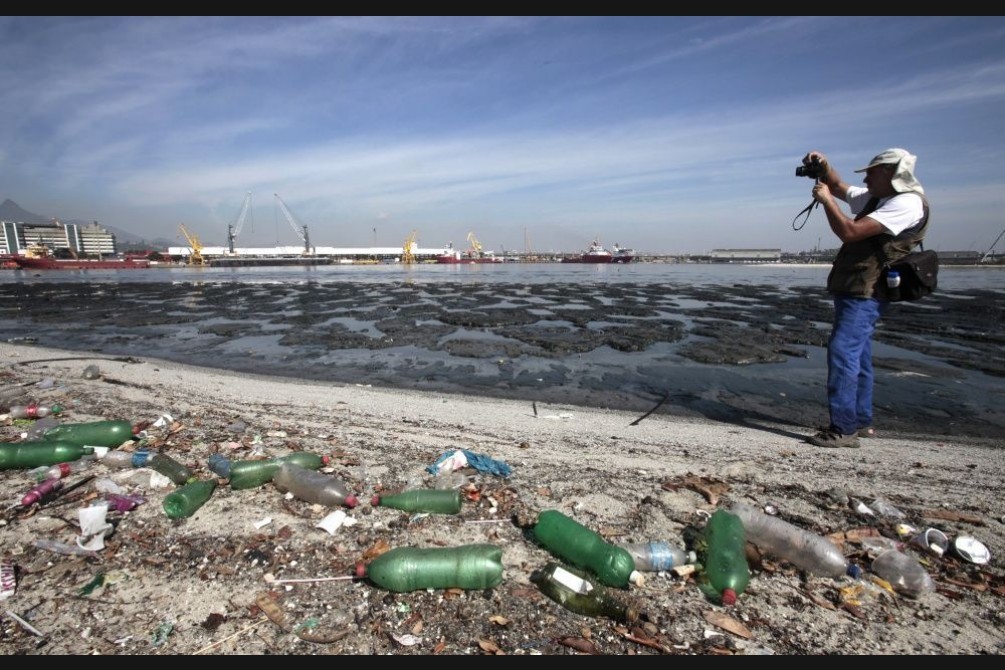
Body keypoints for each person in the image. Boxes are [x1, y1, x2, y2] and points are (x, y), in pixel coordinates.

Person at [802, 148, 929, 448]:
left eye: (871, 172)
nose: (866, 177)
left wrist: (827, 202)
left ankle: (844, 429)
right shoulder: (877, 197)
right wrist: (824, 166)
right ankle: (860, 420)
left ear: (890, 173)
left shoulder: (907, 203)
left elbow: (850, 231)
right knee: (856, 353)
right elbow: (838, 185)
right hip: (855, 285)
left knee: (843, 349)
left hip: (868, 289)